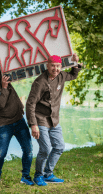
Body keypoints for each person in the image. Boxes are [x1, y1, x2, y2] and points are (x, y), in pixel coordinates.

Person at [26, 54, 82, 186]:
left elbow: (73, 75)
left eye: (58, 66)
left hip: (54, 120)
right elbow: (30, 104)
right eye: (53, 66)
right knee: (45, 148)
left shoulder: (62, 76)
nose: (55, 69)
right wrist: (33, 124)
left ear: (61, 66)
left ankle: (48, 174)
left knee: (59, 146)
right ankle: (38, 175)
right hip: (40, 119)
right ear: (47, 65)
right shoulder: (40, 82)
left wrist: (75, 63)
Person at [0, 64, 34, 186]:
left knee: (28, 150)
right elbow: (1, 104)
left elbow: (3, 59)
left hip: (20, 121)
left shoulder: (2, 75)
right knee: (1, 153)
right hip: (5, 126)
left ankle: (26, 176)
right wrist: (4, 87)